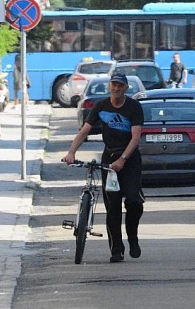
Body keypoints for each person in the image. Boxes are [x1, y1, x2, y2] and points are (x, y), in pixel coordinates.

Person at [62, 73, 144, 263]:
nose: (116, 88)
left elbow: (136, 137)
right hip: (110, 157)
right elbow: (84, 131)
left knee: (133, 202)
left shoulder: (133, 107)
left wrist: (123, 159)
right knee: (113, 207)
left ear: (125, 88)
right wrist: (71, 152)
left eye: (120, 86)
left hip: (130, 159)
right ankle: (117, 249)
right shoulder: (101, 106)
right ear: (109, 86)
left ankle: (133, 236)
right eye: (113, 85)